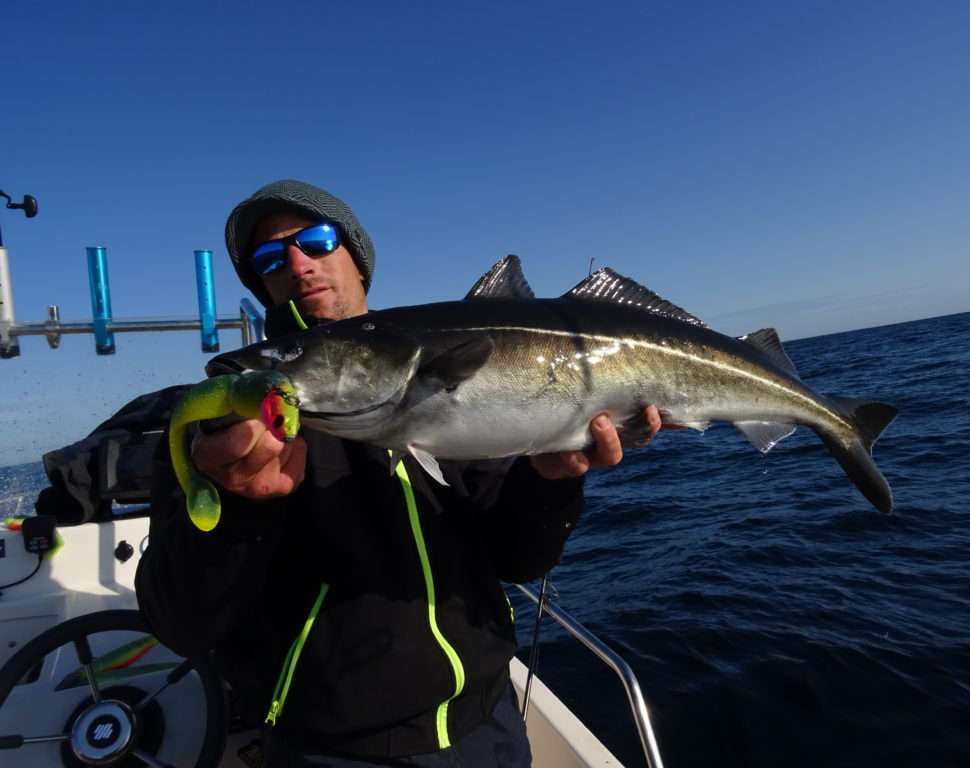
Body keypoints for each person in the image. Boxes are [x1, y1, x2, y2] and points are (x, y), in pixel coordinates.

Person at [135, 179, 662, 767]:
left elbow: (518, 560)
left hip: (489, 725)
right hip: (332, 751)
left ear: (358, 260)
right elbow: (177, 622)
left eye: (315, 239)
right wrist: (237, 513)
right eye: (267, 259)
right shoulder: (219, 427)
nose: (295, 262)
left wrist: (550, 480)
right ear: (263, 287)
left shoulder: (466, 398)